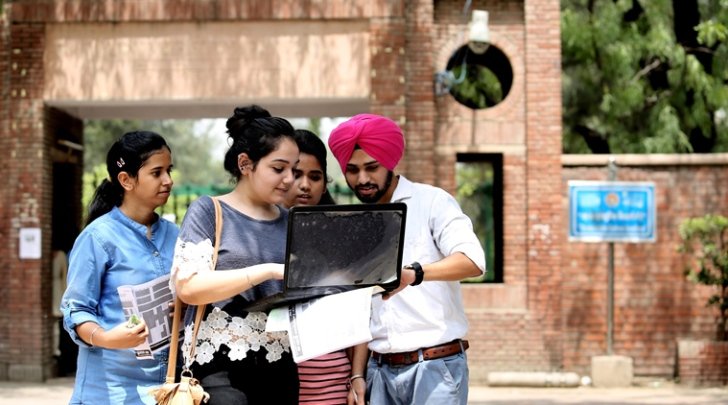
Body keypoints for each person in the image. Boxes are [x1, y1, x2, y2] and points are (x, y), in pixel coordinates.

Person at [328, 114, 486, 405]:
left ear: (390, 161)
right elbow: (363, 309)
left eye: (372, 167)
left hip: (435, 369)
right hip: (378, 373)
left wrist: (414, 274)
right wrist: (358, 374)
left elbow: (472, 261)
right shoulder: (355, 223)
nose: (362, 179)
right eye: (352, 170)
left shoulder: (432, 202)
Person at [171, 105, 299, 405]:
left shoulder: (291, 221)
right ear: (245, 164)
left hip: (281, 372)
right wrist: (267, 271)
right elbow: (188, 287)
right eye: (278, 168)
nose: (290, 179)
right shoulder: (208, 211)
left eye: (294, 169)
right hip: (218, 372)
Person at [61, 130, 178, 404]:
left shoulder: (177, 235)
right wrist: (106, 337)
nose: (168, 180)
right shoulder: (97, 237)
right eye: (157, 172)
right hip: (109, 392)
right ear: (126, 180)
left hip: (167, 389)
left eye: (169, 170)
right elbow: (76, 309)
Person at [283, 129, 354, 404]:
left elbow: (359, 313)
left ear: (325, 184)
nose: (305, 185)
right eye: (296, 174)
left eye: (314, 177)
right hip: (275, 381)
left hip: (333, 382)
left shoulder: (342, 239)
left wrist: (357, 376)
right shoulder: (259, 236)